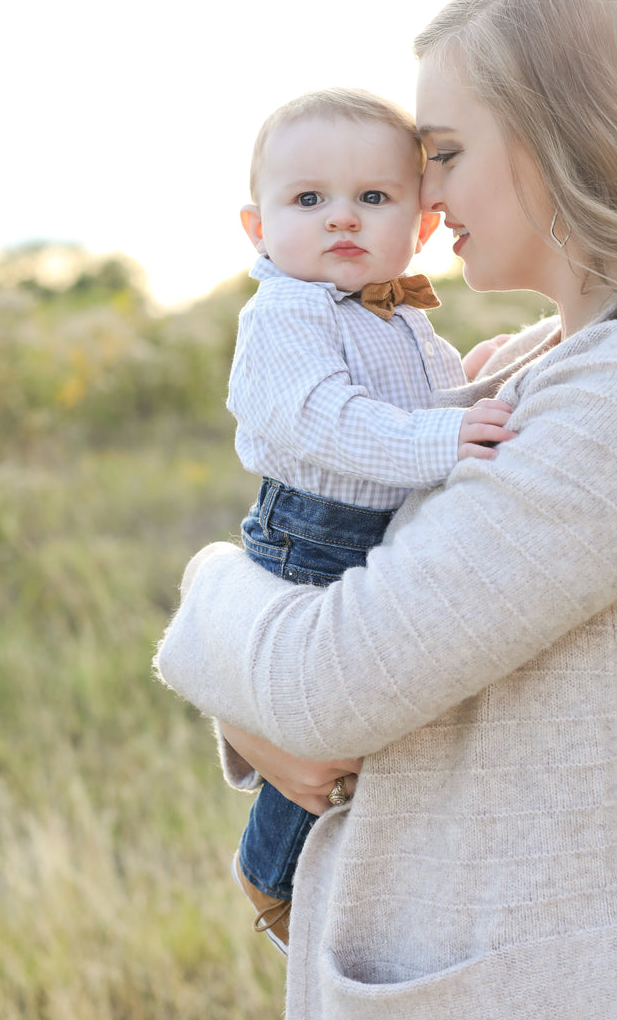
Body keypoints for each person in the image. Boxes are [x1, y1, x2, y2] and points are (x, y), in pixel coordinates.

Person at [155, 0, 617, 1020]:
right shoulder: (550, 358)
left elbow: (329, 681)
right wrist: (259, 708)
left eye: (445, 153)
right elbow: (336, 656)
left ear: (559, 135)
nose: (423, 193)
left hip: (534, 981)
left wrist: (205, 586)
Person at [224, 87, 516, 950]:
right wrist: (448, 436)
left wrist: (474, 376)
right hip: (310, 534)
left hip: (367, 530)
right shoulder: (285, 312)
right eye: (309, 200)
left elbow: (416, 404)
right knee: (319, 709)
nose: (341, 219)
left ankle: (343, 879)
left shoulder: (396, 315)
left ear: (421, 226)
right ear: (258, 228)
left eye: (374, 198)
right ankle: (271, 872)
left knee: (373, 717)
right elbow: (329, 420)